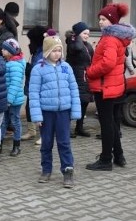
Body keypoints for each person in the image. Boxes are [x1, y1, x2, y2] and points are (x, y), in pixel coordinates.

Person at [85, 3, 136, 171]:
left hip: (106, 88)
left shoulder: (109, 39)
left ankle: (106, 159)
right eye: (99, 19)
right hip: (116, 87)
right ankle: (119, 156)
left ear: (112, 21)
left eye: (103, 19)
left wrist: (90, 72)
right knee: (114, 123)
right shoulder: (119, 38)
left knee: (107, 123)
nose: (100, 22)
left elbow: (107, 63)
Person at [29, 34, 81, 188]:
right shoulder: (38, 69)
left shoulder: (66, 67)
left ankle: (68, 170)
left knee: (64, 143)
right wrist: (37, 116)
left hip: (63, 112)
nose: (57, 54)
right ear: (46, 52)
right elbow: (33, 94)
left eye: (59, 50)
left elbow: (74, 89)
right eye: (54, 51)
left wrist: (75, 112)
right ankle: (46, 169)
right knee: (46, 143)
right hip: (46, 113)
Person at [65, 21, 94, 138]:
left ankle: (79, 127)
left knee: (84, 102)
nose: (87, 36)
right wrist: (77, 38)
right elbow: (77, 47)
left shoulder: (86, 45)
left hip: (85, 77)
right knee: (73, 103)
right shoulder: (73, 43)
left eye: (88, 34)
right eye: (84, 33)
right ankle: (66, 128)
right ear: (77, 34)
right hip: (76, 76)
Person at [21, 25, 48, 143]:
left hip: (40, 87)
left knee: (41, 110)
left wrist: (31, 70)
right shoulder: (36, 51)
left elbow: (41, 71)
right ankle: (31, 130)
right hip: (32, 85)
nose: (29, 43)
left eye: (31, 40)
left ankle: (45, 134)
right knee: (29, 107)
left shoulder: (44, 53)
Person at [0, 38, 26, 156]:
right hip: (7, 99)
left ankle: (17, 146)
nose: (2, 50)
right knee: (3, 121)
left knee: (15, 121)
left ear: (11, 51)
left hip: (13, 100)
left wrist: (9, 100)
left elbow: (15, 84)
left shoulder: (14, 65)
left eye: (4, 49)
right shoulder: (8, 63)